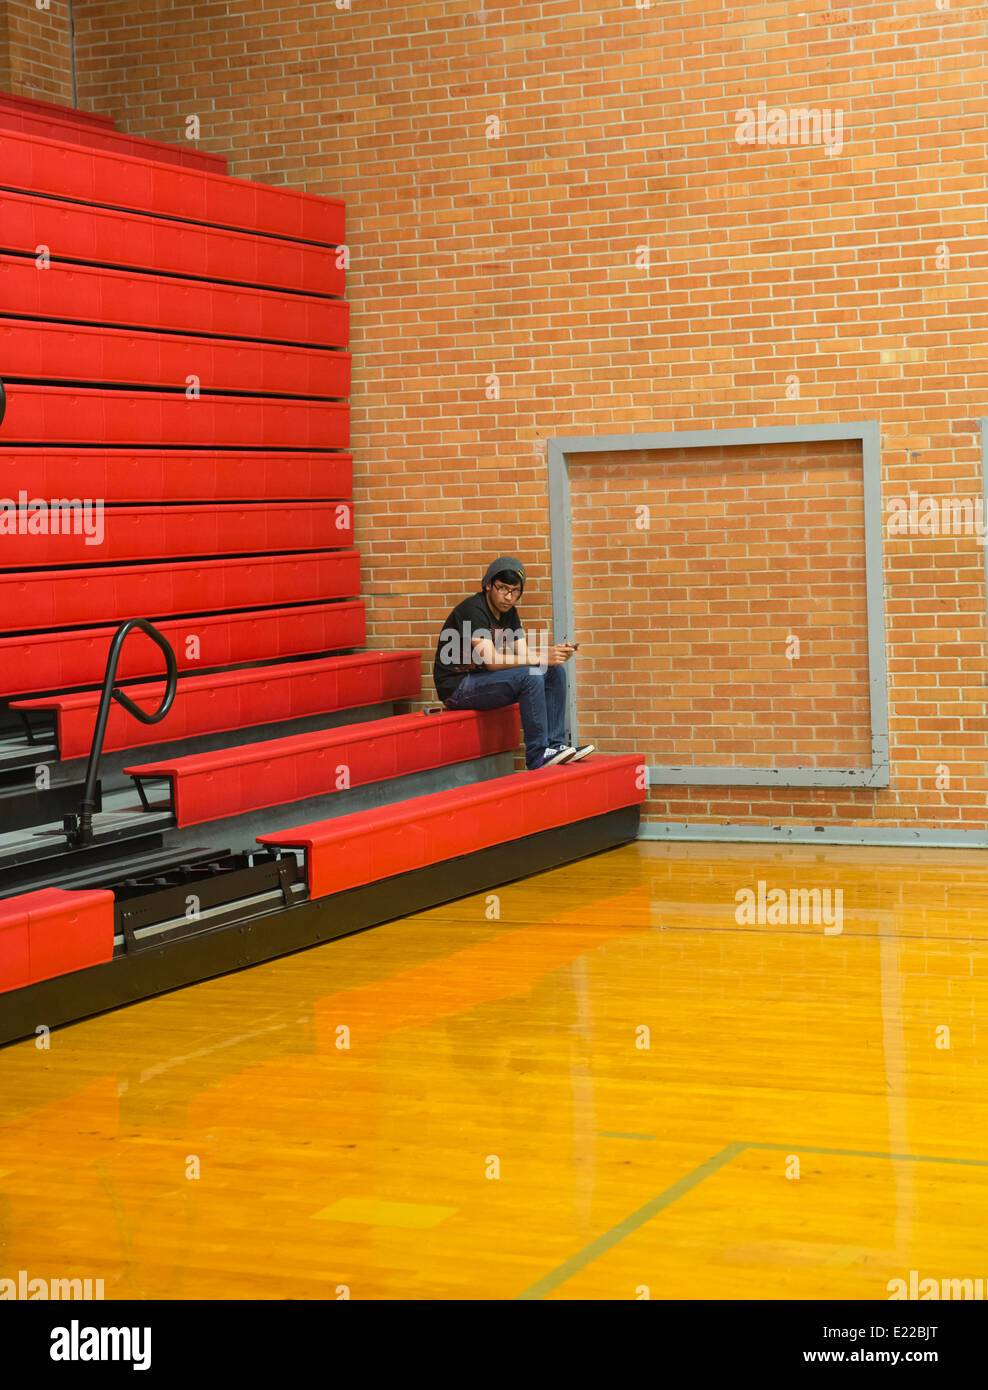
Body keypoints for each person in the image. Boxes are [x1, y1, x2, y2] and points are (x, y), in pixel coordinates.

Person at [432, 555, 595, 770]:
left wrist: (552, 656)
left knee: (554, 672)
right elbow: (491, 660)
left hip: (482, 680)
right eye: (502, 588)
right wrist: (541, 657)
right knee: (531, 676)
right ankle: (537, 755)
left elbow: (525, 654)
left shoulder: (510, 613)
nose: (508, 597)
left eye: (515, 591)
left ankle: (556, 746)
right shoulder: (473, 610)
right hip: (457, 686)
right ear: (488, 585)